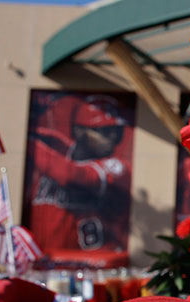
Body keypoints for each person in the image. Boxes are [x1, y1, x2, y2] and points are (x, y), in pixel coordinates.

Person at [28, 94, 131, 260]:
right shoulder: (62, 153)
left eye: (116, 132)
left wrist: (29, 143)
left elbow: (72, 174)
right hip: (50, 258)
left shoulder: (118, 168)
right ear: (79, 132)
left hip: (97, 263)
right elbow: (52, 141)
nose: (112, 138)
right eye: (104, 131)